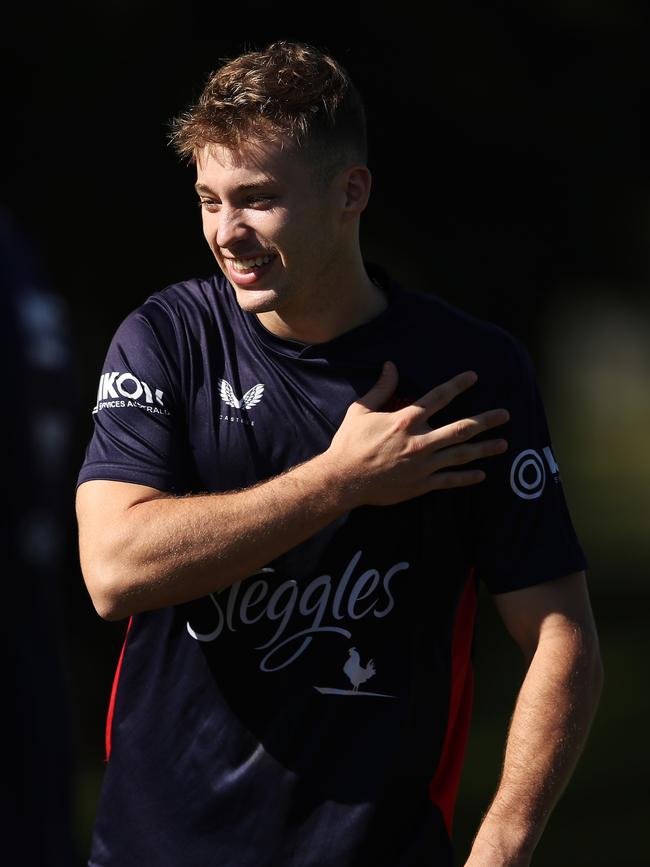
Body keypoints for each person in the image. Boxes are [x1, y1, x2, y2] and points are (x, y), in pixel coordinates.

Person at [75, 40, 603, 867]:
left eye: (258, 200)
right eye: (209, 200)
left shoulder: (470, 370)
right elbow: (113, 569)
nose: (226, 232)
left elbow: (561, 632)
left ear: (350, 191)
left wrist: (502, 843)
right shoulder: (167, 339)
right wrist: (339, 480)